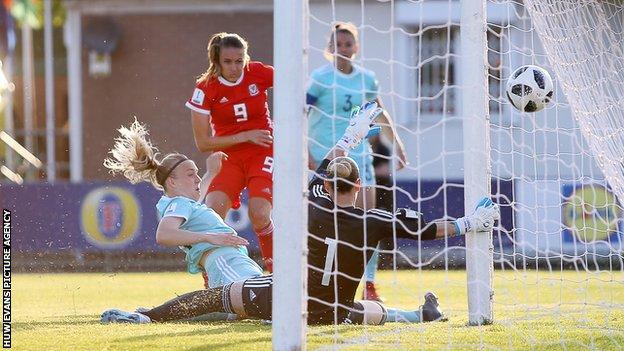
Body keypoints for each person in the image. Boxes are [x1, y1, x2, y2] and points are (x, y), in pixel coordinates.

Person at [101, 102, 500, 325]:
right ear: (359, 189)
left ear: (326, 186)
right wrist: (470, 224)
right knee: (356, 311)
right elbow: (428, 230)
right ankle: (417, 316)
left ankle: (147, 317)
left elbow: (326, 167)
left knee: (220, 298)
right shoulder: (375, 220)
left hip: (290, 300)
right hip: (334, 311)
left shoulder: (312, 204)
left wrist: (350, 135)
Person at [306, 22, 408, 301]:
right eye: (337, 44)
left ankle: (369, 284)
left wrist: (396, 144)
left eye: (348, 44)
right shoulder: (319, 78)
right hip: (325, 160)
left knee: (365, 222)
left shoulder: (366, 79)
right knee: (325, 223)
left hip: (360, 159)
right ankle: (319, 280)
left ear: (356, 47)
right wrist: (305, 151)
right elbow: (301, 112)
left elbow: (379, 112)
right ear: (330, 48)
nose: (343, 49)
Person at [103, 119, 263, 290]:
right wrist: (208, 237)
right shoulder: (179, 203)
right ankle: (147, 316)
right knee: (262, 294)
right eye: (190, 174)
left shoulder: (185, 203)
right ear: (172, 182)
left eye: (197, 173)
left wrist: (211, 173)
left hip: (231, 261)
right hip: (224, 260)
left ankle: (161, 313)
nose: (198, 179)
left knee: (260, 298)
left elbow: (197, 195)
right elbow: (163, 234)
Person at [186, 32, 275, 275]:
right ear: (216, 61)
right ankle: (210, 280)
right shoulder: (205, 88)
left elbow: (295, 84)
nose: (235, 67)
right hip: (228, 157)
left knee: (259, 213)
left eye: (240, 61)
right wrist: (245, 136)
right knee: (212, 216)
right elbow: (203, 143)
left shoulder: (259, 72)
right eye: (228, 62)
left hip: (263, 151)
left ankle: (276, 275)